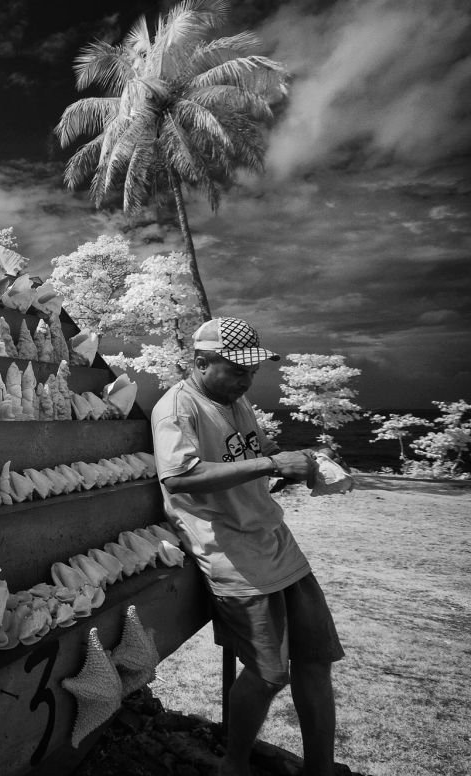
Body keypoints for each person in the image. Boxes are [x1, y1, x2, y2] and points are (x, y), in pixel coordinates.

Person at [150, 317, 344, 776]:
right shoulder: (178, 409)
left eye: (251, 370)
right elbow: (179, 478)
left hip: (277, 543)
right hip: (232, 554)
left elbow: (250, 451)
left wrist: (300, 464)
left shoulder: (236, 402)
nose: (247, 379)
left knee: (314, 661)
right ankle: (232, 765)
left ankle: (321, 769)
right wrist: (270, 463)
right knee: (268, 673)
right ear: (201, 362)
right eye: (236, 369)